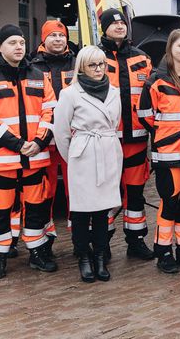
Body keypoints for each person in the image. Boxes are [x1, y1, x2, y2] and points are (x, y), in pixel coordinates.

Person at [0, 24, 57, 280]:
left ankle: (37, 253)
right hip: (2, 160)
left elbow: (51, 111)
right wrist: (19, 145)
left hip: (35, 157)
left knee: (35, 208)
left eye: (21, 42)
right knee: (0, 211)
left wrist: (39, 142)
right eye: (12, 43)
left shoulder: (39, 75)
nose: (19, 47)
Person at [137, 29, 180, 274]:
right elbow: (145, 115)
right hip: (168, 154)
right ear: (170, 49)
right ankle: (164, 251)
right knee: (169, 203)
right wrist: (165, 135)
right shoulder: (156, 80)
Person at [53, 46, 122, 283]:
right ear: (81, 67)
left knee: (103, 211)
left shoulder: (114, 92)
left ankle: (100, 256)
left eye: (102, 64)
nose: (99, 69)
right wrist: (74, 156)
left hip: (107, 150)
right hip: (83, 154)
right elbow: (61, 133)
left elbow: (115, 123)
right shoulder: (70, 94)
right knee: (81, 212)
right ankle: (83, 256)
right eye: (92, 65)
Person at [98, 8, 155, 260]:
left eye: (122, 23)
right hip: (106, 140)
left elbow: (152, 96)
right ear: (104, 28)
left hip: (137, 140)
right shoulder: (95, 57)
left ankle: (136, 241)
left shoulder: (142, 58)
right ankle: (102, 243)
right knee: (106, 195)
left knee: (135, 194)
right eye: (114, 23)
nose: (120, 26)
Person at [29, 19, 77, 261]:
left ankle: (79, 238)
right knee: (44, 193)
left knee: (75, 191)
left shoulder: (77, 63)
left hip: (72, 140)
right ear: (43, 39)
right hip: (44, 141)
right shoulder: (31, 67)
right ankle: (44, 242)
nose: (58, 39)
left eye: (61, 35)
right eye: (53, 36)